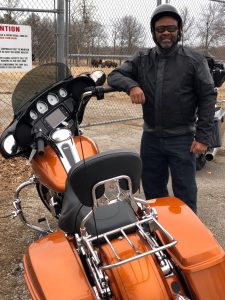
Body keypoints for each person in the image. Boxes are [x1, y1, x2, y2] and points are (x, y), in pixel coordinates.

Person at [107, 4, 216, 213]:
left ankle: (187, 235)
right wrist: (132, 86)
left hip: (182, 139)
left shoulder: (194, 61)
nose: (166, 33)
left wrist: (203, 137)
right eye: (160, 29)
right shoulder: (142, 58)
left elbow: (207, 97)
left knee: (185, 193)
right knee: (153, 192)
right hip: (151, 140)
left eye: (171, 28)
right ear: (153, 32)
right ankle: (160, 232)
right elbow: (115, 75)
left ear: (179, 31)